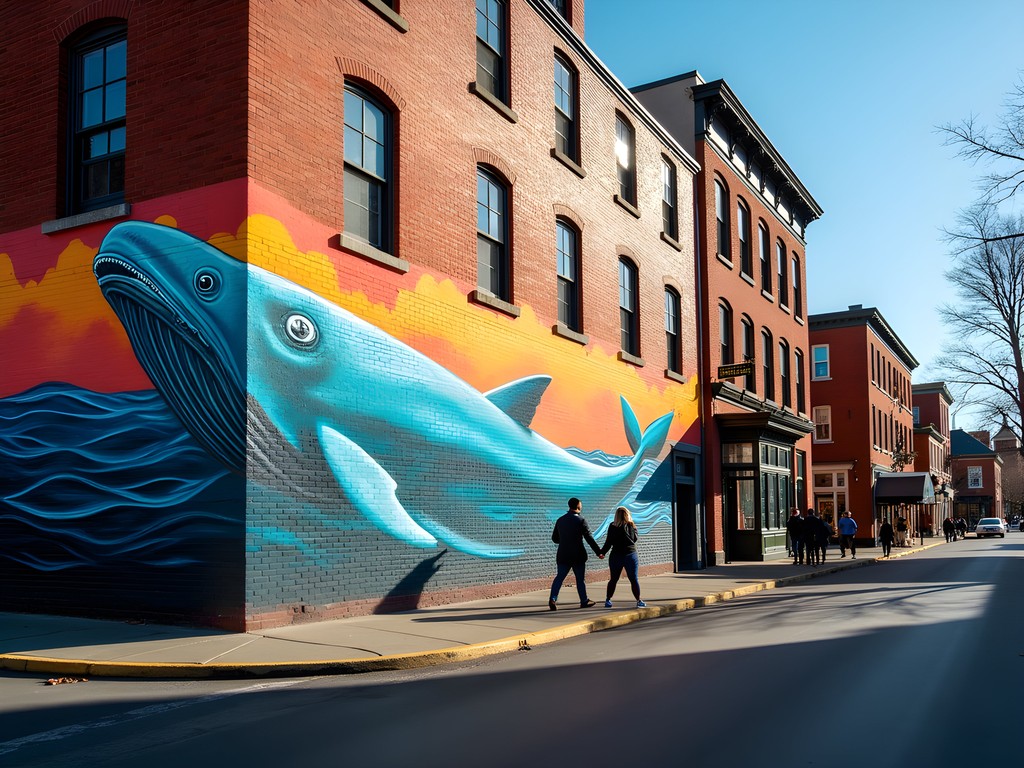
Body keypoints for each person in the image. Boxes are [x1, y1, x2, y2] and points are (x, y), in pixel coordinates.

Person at [549, 497, 603, 610]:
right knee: (580, 579)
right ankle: (584, 601)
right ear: (578, 506)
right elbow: (589, 538)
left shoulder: (560, 520)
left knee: (559, 577)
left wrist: (565, 540)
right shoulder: (581, 520)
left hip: (563, 554)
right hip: (577, 555)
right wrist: (599, 552)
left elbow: (555, 538)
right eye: (581, 504)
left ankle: (553, 599)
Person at [600, 506, 646, 608]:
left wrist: (602, 552)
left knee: (614, 579)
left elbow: (608, 542)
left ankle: (608, 599)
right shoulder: (631, 525)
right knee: (633, 579)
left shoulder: (612, 526)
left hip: (616, 555)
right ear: (627, 515)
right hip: (630, 555)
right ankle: (638, 600)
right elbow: (634, 539)